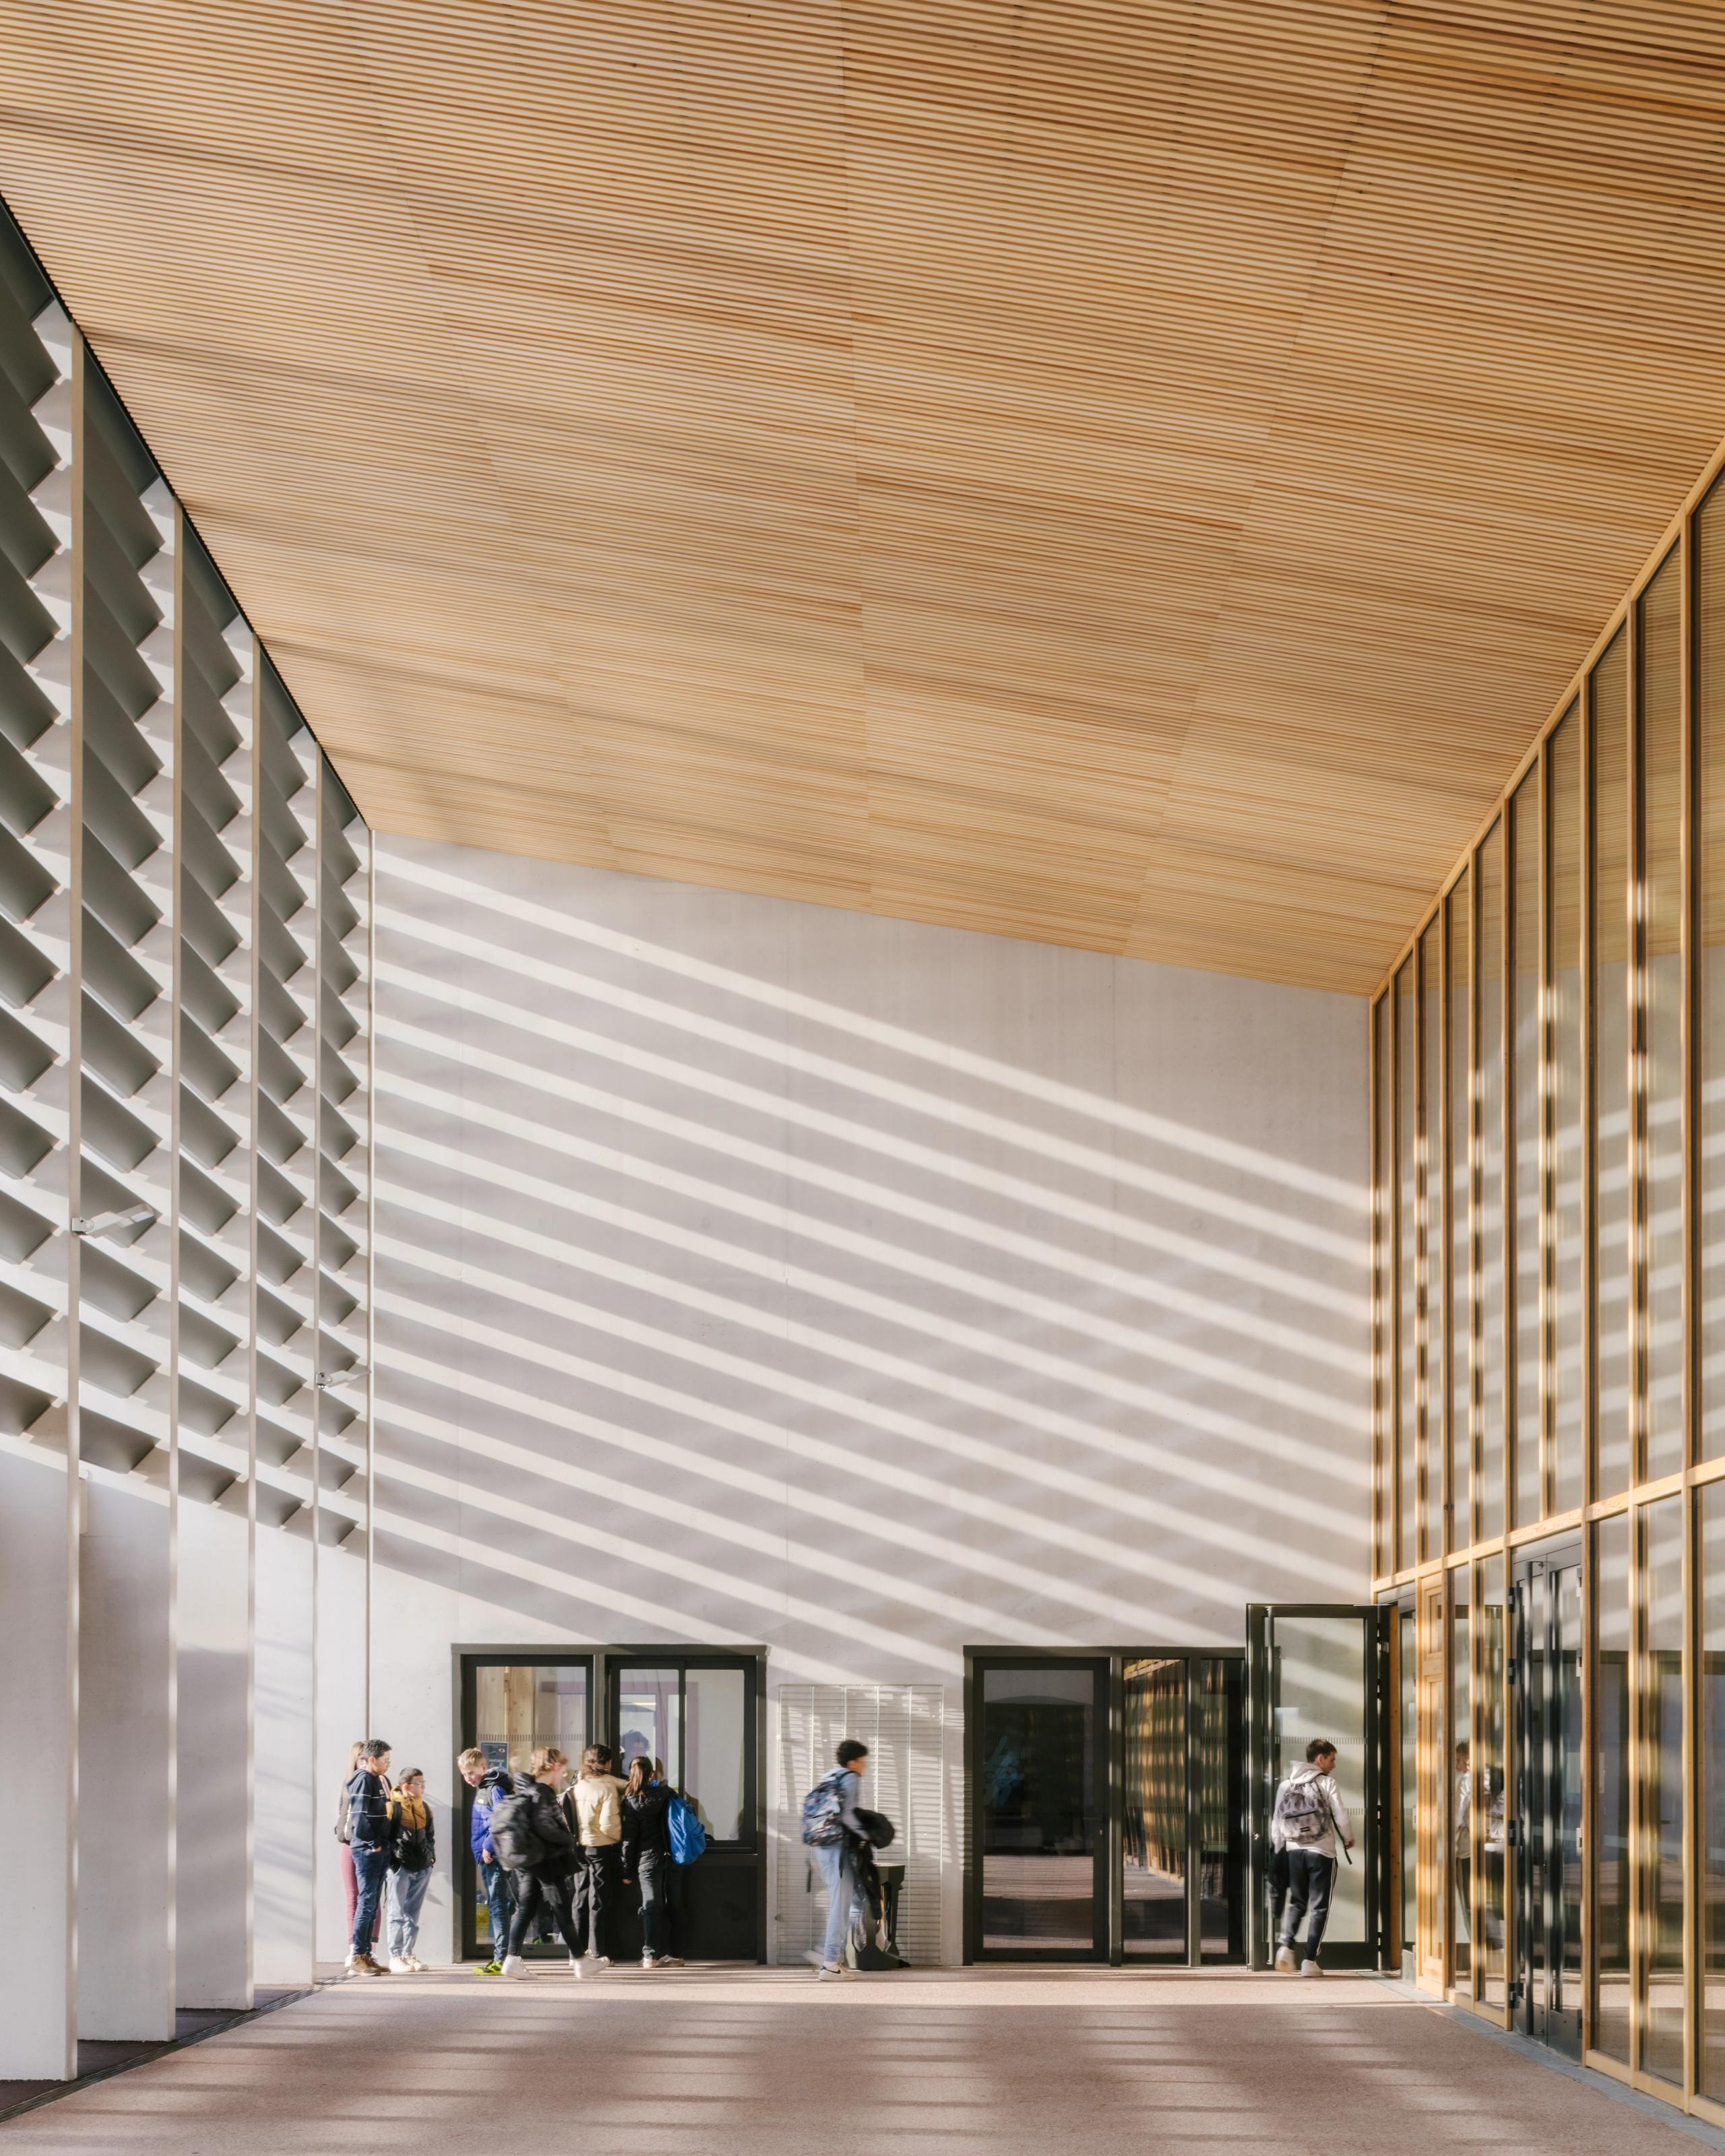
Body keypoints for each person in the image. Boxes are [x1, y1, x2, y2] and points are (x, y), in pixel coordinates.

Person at [1270, 1737, 1354, 1976]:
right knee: (1320, 1908)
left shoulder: (1286, 1785)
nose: (1333, 1765)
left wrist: (1280, 1848)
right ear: (1319, 1759)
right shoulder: (1327, 1783)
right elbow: (1341, 1815)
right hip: (1322, 1852)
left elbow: (1277, 1821)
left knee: (1298, 1902)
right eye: (1331, 1759)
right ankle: (1309, 1961)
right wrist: (1348, 1837)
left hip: (1294, 1852)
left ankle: (1286, 1948)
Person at [500, 1746, 585, 1979]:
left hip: (529, 1860)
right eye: (562, 1769)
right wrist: (568, 1838)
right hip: (546, 1860)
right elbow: (545, 1826)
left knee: (526, 1909)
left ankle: (512, 1960)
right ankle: (580, 1960)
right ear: (555, 1766)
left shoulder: (527, 1789)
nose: (563, 1775)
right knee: (562, 1909)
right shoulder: (543, 1791)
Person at [804, 1738, 870, 1980]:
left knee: (854, 1902)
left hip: (823, 1847)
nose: (865, 1766)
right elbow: (847, 1815)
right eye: (862, 1761)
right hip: (837, 1849)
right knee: (842, 1905)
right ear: (852, 1762)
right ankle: (829, 1962)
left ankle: (826, 1953)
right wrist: (867, 1835)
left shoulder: (829, 1777)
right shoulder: (850, 1778)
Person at [621, 1755, 685, 1970]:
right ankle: (677, 1954)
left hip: (647, 1860)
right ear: (651, 1774)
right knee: (675, 1904)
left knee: (651, 1905)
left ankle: (650, 1956)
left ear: (631, 1774)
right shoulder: (666, 1793)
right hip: (673, 1856)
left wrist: (626, 1870)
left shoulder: (630, 1802)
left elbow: (629, 1841)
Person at [569, 1743, 627, 1971]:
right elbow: (608, 1825)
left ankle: (576, 1952)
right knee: (598, 1901)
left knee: (580, 1897)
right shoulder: (607, 1788)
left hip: (579, 1847)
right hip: (600, 1847)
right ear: (609, 1764)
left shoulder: (579, 1784)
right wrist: (619, 1838)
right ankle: (597, 1951)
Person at [460, 1746, 514, 1975]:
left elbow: (503, 1819)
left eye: (472, 1773)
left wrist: (487, 1846)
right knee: (499, 1904)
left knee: (498, 1906)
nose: (469, 1778)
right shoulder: (486, 1787)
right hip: (490, 1855)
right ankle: (506, 1956)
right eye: (465, 1774)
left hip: (493, 1855)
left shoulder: (493, 1788)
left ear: (483, 1767)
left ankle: (501, 1959)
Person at [345, 1739, 395, 1977]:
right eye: (385, 1760)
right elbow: (359, 1816)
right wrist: (374, 1844)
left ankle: (366, 1955)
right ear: (372, 1759)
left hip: (378, 1850)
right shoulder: (363, 1779)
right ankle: (358, 1956)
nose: (388, 1764)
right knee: (366, 1903)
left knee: (372, 1904)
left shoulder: (377, 1780)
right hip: (367, 1851)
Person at [334, 1739, 382, 1971]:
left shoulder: (377, 1782)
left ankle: (369, 1949)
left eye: (366, 1758)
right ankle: (355, 1949)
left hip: (367, 1847)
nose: (363, 1762)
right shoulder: (349, 1784)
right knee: (354, 1897)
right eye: (360, 1758)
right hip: (348, 1845)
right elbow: (344, 1815)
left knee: (371, 1898)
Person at [385, 1767, 437, 1972]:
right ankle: (395, 1956)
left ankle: (408, 1953)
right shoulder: (393, 1808)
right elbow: (386, 1837)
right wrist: (394, 1863)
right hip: (401, 1867)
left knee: (413, 1915)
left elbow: (430, 1836)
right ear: (407, 1786)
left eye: (423, 1783)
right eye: (419, 1783)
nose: (423, 1787)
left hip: (422, 1867)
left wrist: (430, 1859)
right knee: (396, 1913)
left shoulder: (424, 1807)